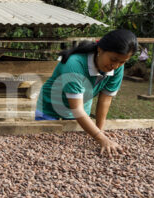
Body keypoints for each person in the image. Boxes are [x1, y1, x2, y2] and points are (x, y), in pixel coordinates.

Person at [35, 29, 138, 157]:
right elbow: (77, 109)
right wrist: (101, 139)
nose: (115, 66)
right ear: (100, 49)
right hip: (50, 108)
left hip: (80, 111)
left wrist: (100, 131)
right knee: (45, 148)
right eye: (113, 59)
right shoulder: (74, 64)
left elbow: (105, 100)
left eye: (122, 62)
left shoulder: (117, 68)